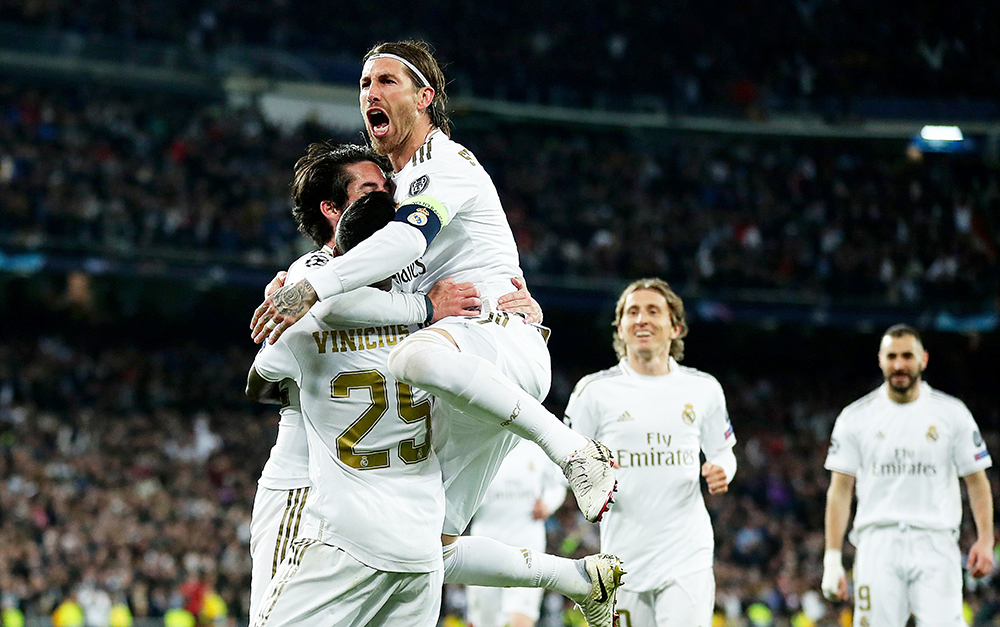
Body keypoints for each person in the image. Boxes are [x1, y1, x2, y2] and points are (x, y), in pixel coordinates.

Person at [249, 40, 623, 624]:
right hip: (472, 375)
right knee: (428, 536)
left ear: (425, 97)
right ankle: (576, 578)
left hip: (492, 341)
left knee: (413, 362)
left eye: (386, 82)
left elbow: (404, 243)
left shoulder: (444, 166)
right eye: (364, 85)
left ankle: (575, 452)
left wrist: (317, 293)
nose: (370, 93)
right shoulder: (391, 213)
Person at [247, 142, 488, 621]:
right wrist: (424, 311)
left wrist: (519, 308)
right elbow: (326, 306)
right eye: (372, 189)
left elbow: (263, 375)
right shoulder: (315, 275)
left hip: (379, 501)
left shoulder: (405, 280)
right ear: (333, 211)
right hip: (304, 488)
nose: (391, 199)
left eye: (390, 188)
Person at [564, 278, 737, 627]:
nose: (641, 318)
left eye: (653, 311)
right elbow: (565, 459)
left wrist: (721, 469)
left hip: (688, 554)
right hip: (623, 559)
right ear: (620, 327)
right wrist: (588, 480)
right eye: (632, 312)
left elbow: (724, 452)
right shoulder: (593, 392)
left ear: (675, 327)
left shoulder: (703, 388)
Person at [822, 324, 994, 627]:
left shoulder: (952, 414)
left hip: (936, 541)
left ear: (923, 360)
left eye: (907, 356)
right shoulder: (856, 417)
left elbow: (977, 481)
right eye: (891, 356)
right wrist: (832, 558)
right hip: (878, 542)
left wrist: (985, 539)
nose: (899, 364)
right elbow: (839, 490)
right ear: (880, 360)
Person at [465, 440, 568, 627]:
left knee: (521, 616)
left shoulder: (538, 446)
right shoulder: (483, 442)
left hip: (527, 545)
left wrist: (548, 504)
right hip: (485, 544)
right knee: (483, 621)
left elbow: (558, 485)